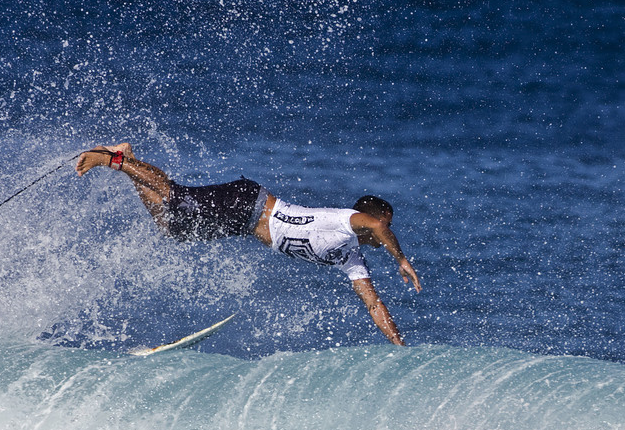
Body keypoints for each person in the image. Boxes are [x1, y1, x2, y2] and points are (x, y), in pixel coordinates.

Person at [76, 143, 422, 345]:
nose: (384, 233)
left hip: (241, 222)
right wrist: (401, 260)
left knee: (172, 227)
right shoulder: (347, 220)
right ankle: (111, 159)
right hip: (248, 203)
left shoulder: (351, 255)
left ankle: (125, 158)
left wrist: (399, 346)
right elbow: (377, 225)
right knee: (175, 197)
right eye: (386, 225)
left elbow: (374, 305)